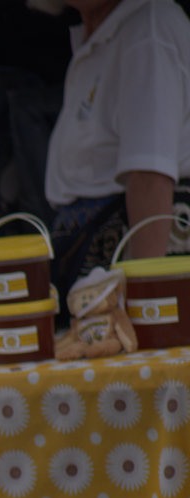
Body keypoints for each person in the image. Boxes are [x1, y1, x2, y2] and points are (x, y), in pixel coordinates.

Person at [45, 0, 190, 296]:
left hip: (137, 252)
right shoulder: (103, 34)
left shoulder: (149, 27)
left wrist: (145, 298)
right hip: (91, 260)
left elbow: (149, 175)